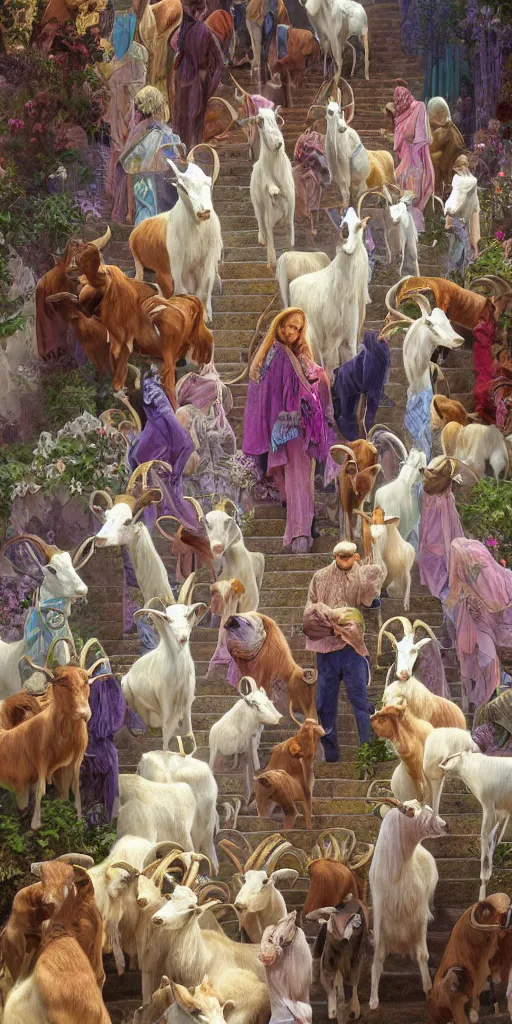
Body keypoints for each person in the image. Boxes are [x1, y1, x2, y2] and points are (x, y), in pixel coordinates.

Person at [243, 307, 335, 553]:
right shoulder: (274, 354)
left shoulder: (296, 354)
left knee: (301, 476)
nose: (291, 331)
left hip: (300, 424)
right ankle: (299, 534)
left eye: (296, 328)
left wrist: (316, 378)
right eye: (288, 325)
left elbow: (315, 381)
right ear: (279, 324)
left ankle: (302, 531)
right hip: (285, 424)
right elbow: (263, 391)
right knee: (296, 476)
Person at [303, 541, 385, 761]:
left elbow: (370, 601)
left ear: (355, 556)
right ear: (335, 556)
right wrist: (327, 621)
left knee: (359, 701)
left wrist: (370, 580)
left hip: (352, 646)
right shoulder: (320, 577)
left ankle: (368, 752)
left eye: (348, 556)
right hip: (326, 648)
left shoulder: (361, 575)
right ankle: (331, 755)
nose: (344, 560)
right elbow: (309, 608)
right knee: (324, 703)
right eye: (340, 556)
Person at [173, 0, 224, 150]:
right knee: (195, 119)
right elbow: (219, 62)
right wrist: (210, 87)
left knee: (182, 118)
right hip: (197, 80)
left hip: (182, 77)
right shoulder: (203, 30)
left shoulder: (183, 29)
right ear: (199, 11)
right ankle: (193, 154)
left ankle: (182, 153)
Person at [392, 85, 435, 231]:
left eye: (400, 96)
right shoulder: (400, 113)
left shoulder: (418, 107)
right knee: (399, 178)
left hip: (414, 153)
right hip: (406, 152)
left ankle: (415, 217)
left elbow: (409, 134)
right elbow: (401, 134)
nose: (399, 100)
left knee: (411, 178)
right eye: (396, 97)